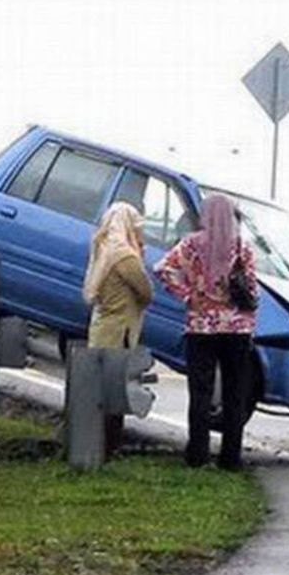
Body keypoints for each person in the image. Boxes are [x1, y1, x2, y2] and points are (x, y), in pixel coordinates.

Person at [154, 193, 258, 470]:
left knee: (200, 391)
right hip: (236, 329)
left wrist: (187, 295)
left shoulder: (190, 245)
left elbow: (163, 269)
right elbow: (251, 289)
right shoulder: (242, 247)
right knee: (235, 393)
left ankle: (197, 454)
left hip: (201, 325)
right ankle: (230, 457)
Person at [82, 201, 154, 453]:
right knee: (116, 389)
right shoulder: (124, 255)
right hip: (120, 329)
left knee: (99, 387)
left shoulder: (102, 248)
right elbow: (146, 291)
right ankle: (109, 446)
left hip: (101, 324)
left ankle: (94, 443)